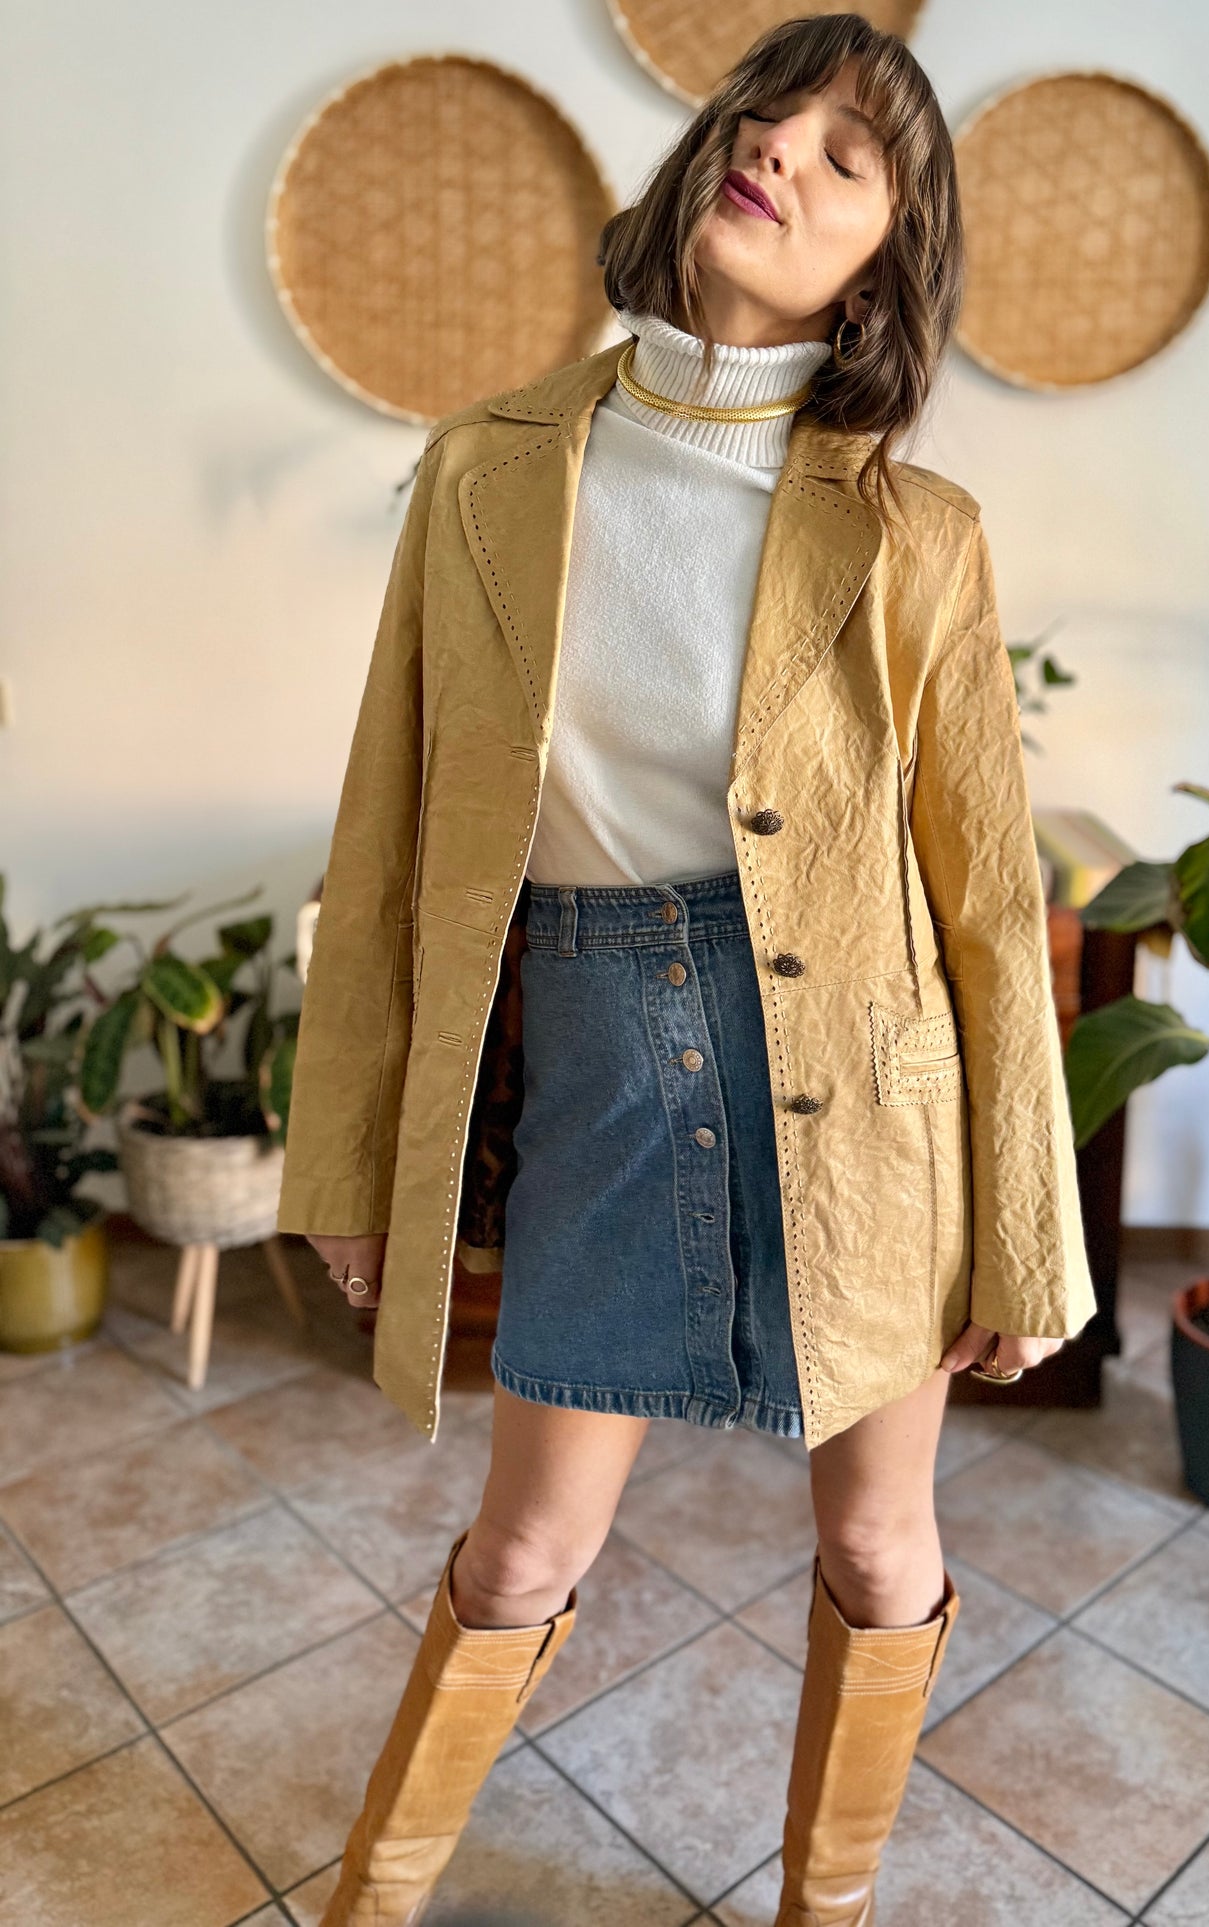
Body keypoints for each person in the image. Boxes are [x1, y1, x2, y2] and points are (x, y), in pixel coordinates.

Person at [278, 14, 1096, 1924]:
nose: (783, 156)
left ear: (886, 256)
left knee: (885, 1549)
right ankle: (372, 1902)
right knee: (511, 1562)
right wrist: (348, 1164)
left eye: (848, 156)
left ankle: (828, 1904)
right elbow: (385, 845)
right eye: (767, 117)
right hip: (597, 1055)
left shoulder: (916, 537)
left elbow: (984, 897)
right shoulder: (485, 471)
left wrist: (1023, 1227)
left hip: (864, 1077)